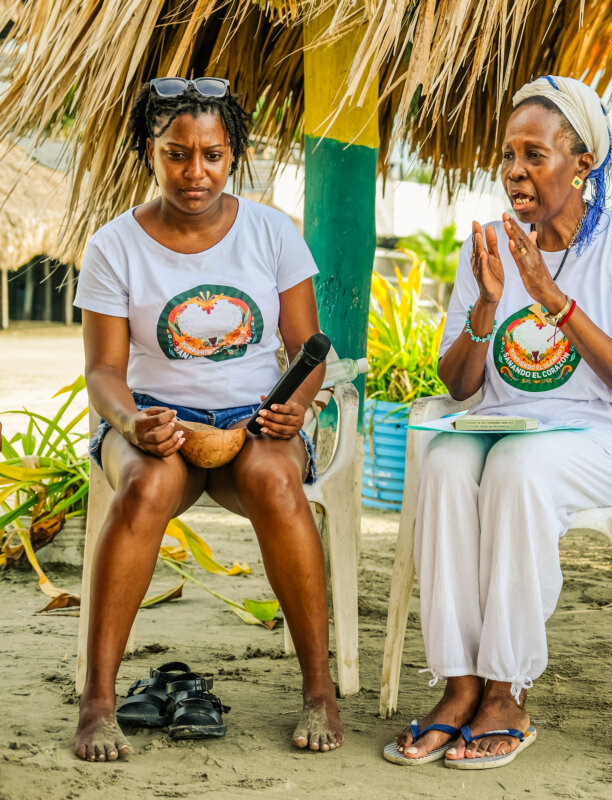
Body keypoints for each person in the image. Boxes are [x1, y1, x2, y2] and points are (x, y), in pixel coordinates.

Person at [382, 75, 612, 770]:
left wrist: (553, 299)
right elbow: (456, 385)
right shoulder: (488, 246)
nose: (515, 171)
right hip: (500, 423)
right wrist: (486, 309)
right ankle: (458, 683)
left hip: (609, 437)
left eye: (534, 155)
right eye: (508, 155)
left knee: (516, 469)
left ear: (583, 163)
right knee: (447, 462)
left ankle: (507, 687)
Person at [72, 77, 343, 761]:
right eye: (176, 154)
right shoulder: (113, 246)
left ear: (235, 155)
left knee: (280, 486)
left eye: (213, 155)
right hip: (155, 420)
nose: (196, 173)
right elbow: (104, 370)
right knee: (145, 487)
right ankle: (98, 701)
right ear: (149, 153)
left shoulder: (271, 233)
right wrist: (132, 424)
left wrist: (295, 405)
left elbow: (307, 346)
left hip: (255, 419)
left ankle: (319, 691)